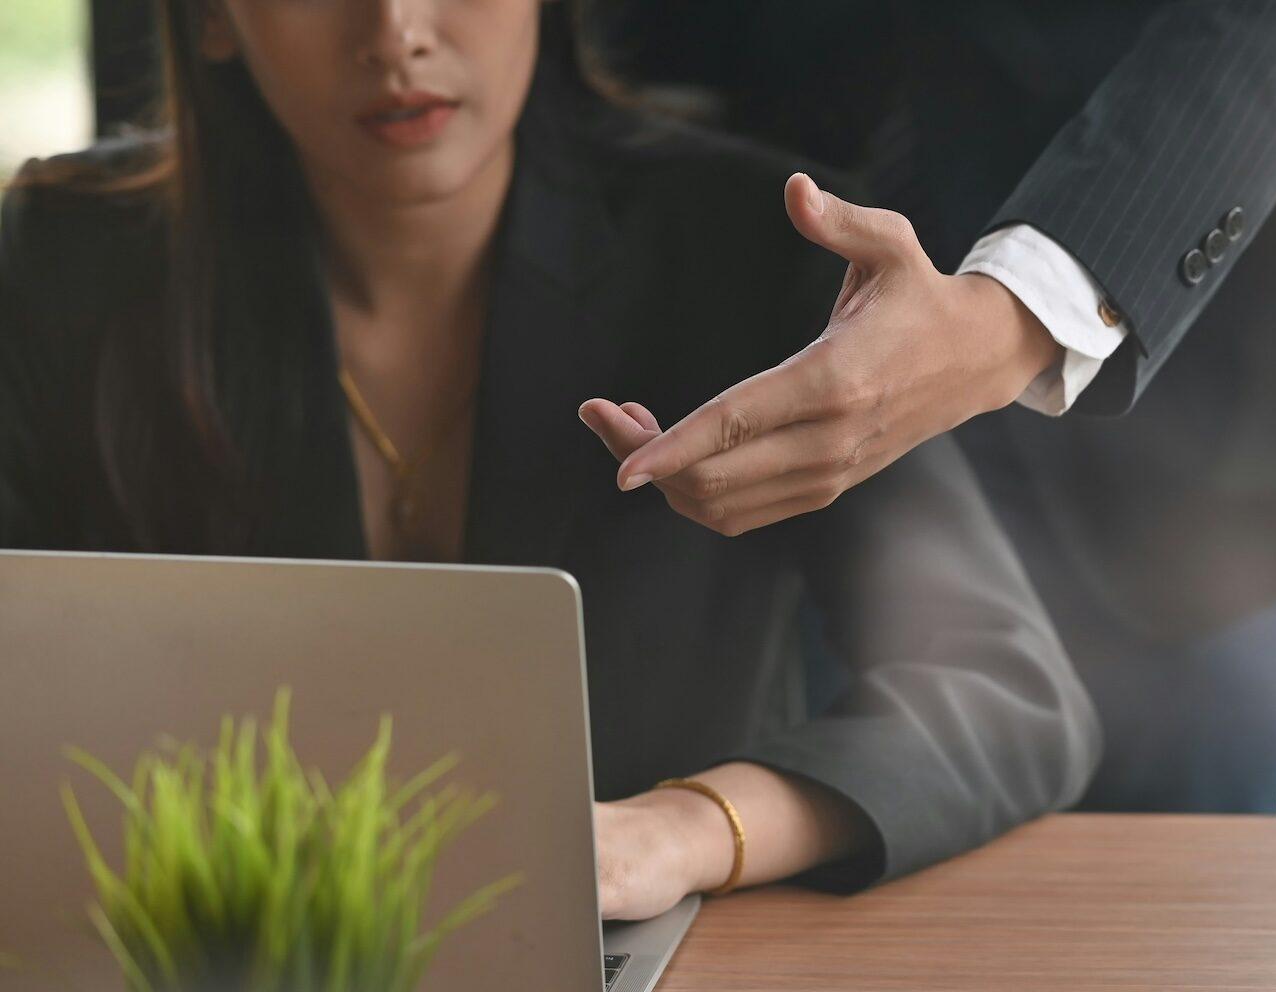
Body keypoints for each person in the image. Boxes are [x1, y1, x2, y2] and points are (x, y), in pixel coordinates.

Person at [0, 4, 1099, 919]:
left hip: (661, 987)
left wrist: (679, 831)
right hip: (193, 986)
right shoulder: (61, 259)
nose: (396, 31)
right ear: (210, 22)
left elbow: (1006, 696)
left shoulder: (749, 242)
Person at [590, 0, 1276, 813]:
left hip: (1196, 393)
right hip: (808, 383)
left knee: (1172, 927)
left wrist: (1023, 308)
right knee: (846, 873)